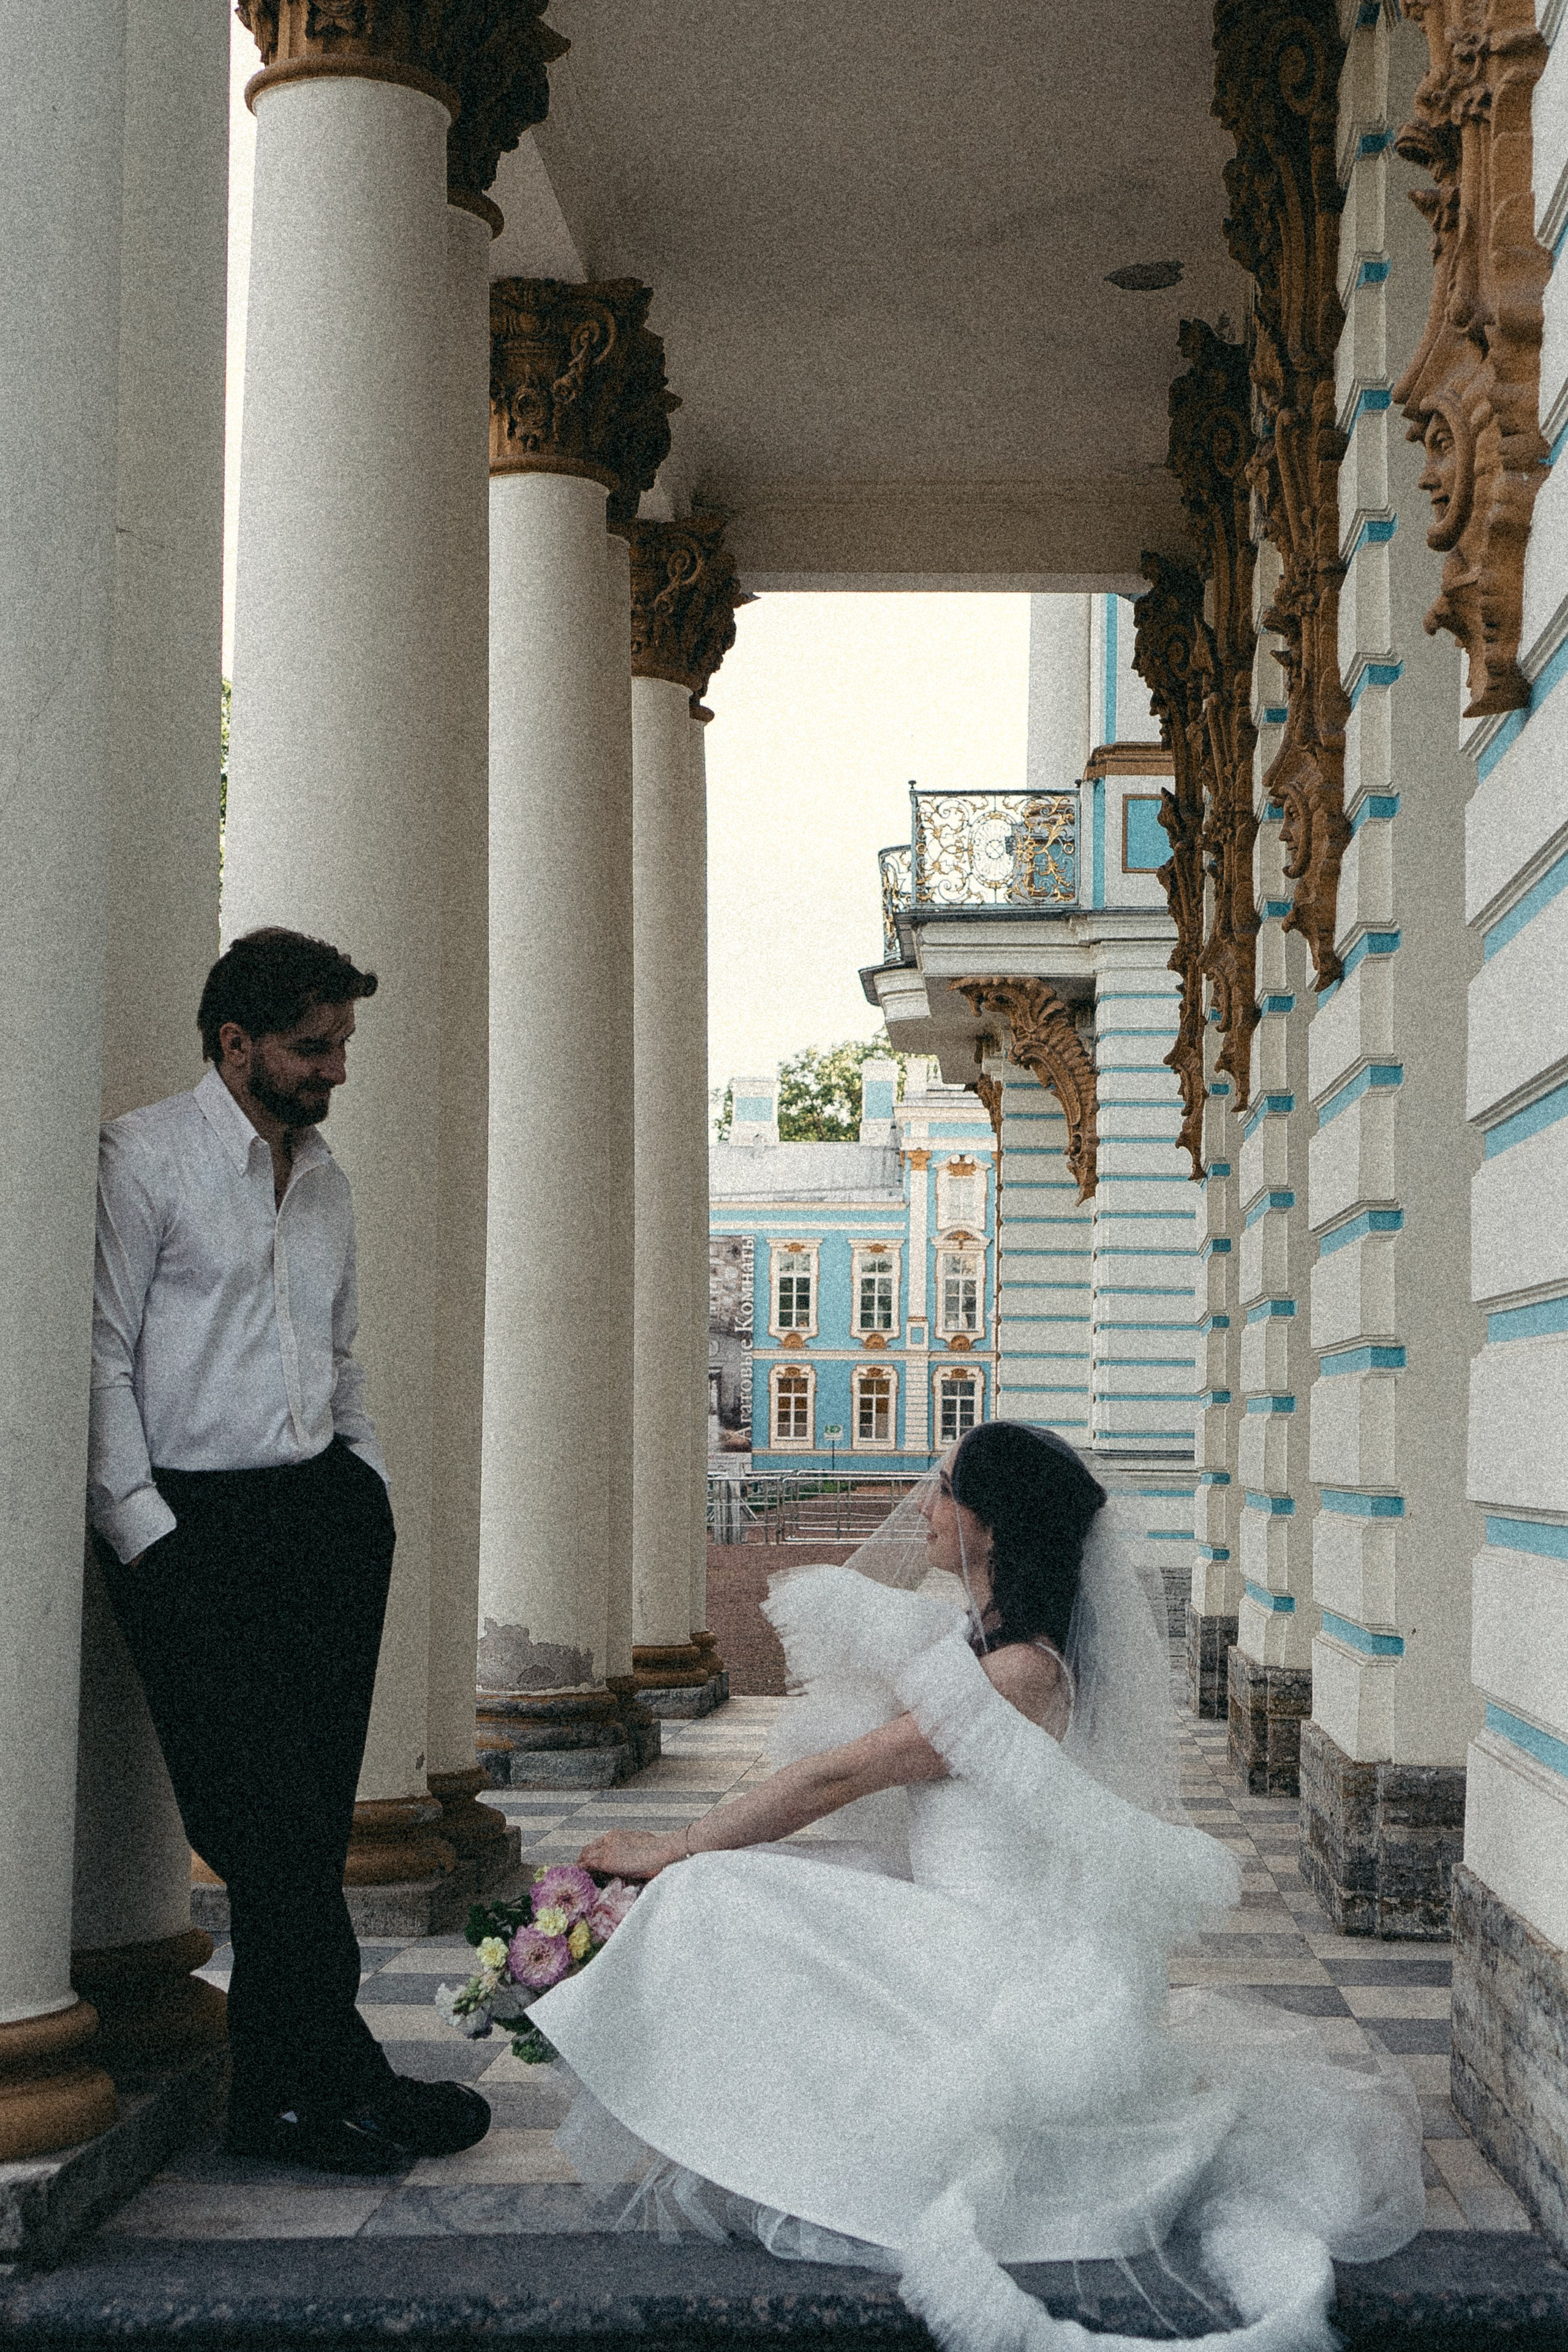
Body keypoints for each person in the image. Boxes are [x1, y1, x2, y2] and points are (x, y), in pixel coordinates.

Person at [526, 1423, 1424, 2352]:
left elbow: (839, 1778)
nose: (922, 1503)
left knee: (712, 1895)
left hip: (990, 1951)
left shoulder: (1020, 1673)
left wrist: (676, 1844)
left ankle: (773, 2144)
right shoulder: (978, 1643)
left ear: (990, 1528)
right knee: (753, 1887)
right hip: (946, 1918)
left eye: (944, 1488)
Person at [88, 926, 489, 2176]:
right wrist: (145, 1531)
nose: (337, 1071)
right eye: (314, 1048)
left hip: (316, 1519)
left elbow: (340, 1349)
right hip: (191, 1534)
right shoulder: (142, 1161)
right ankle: (305, 2088)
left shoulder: (325, 1180)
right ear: (236, 1044)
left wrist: (358, 1484)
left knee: (307, 1829)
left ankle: (307, 2086)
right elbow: (98, 1355)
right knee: (259, 1828)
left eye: (341, 1045)